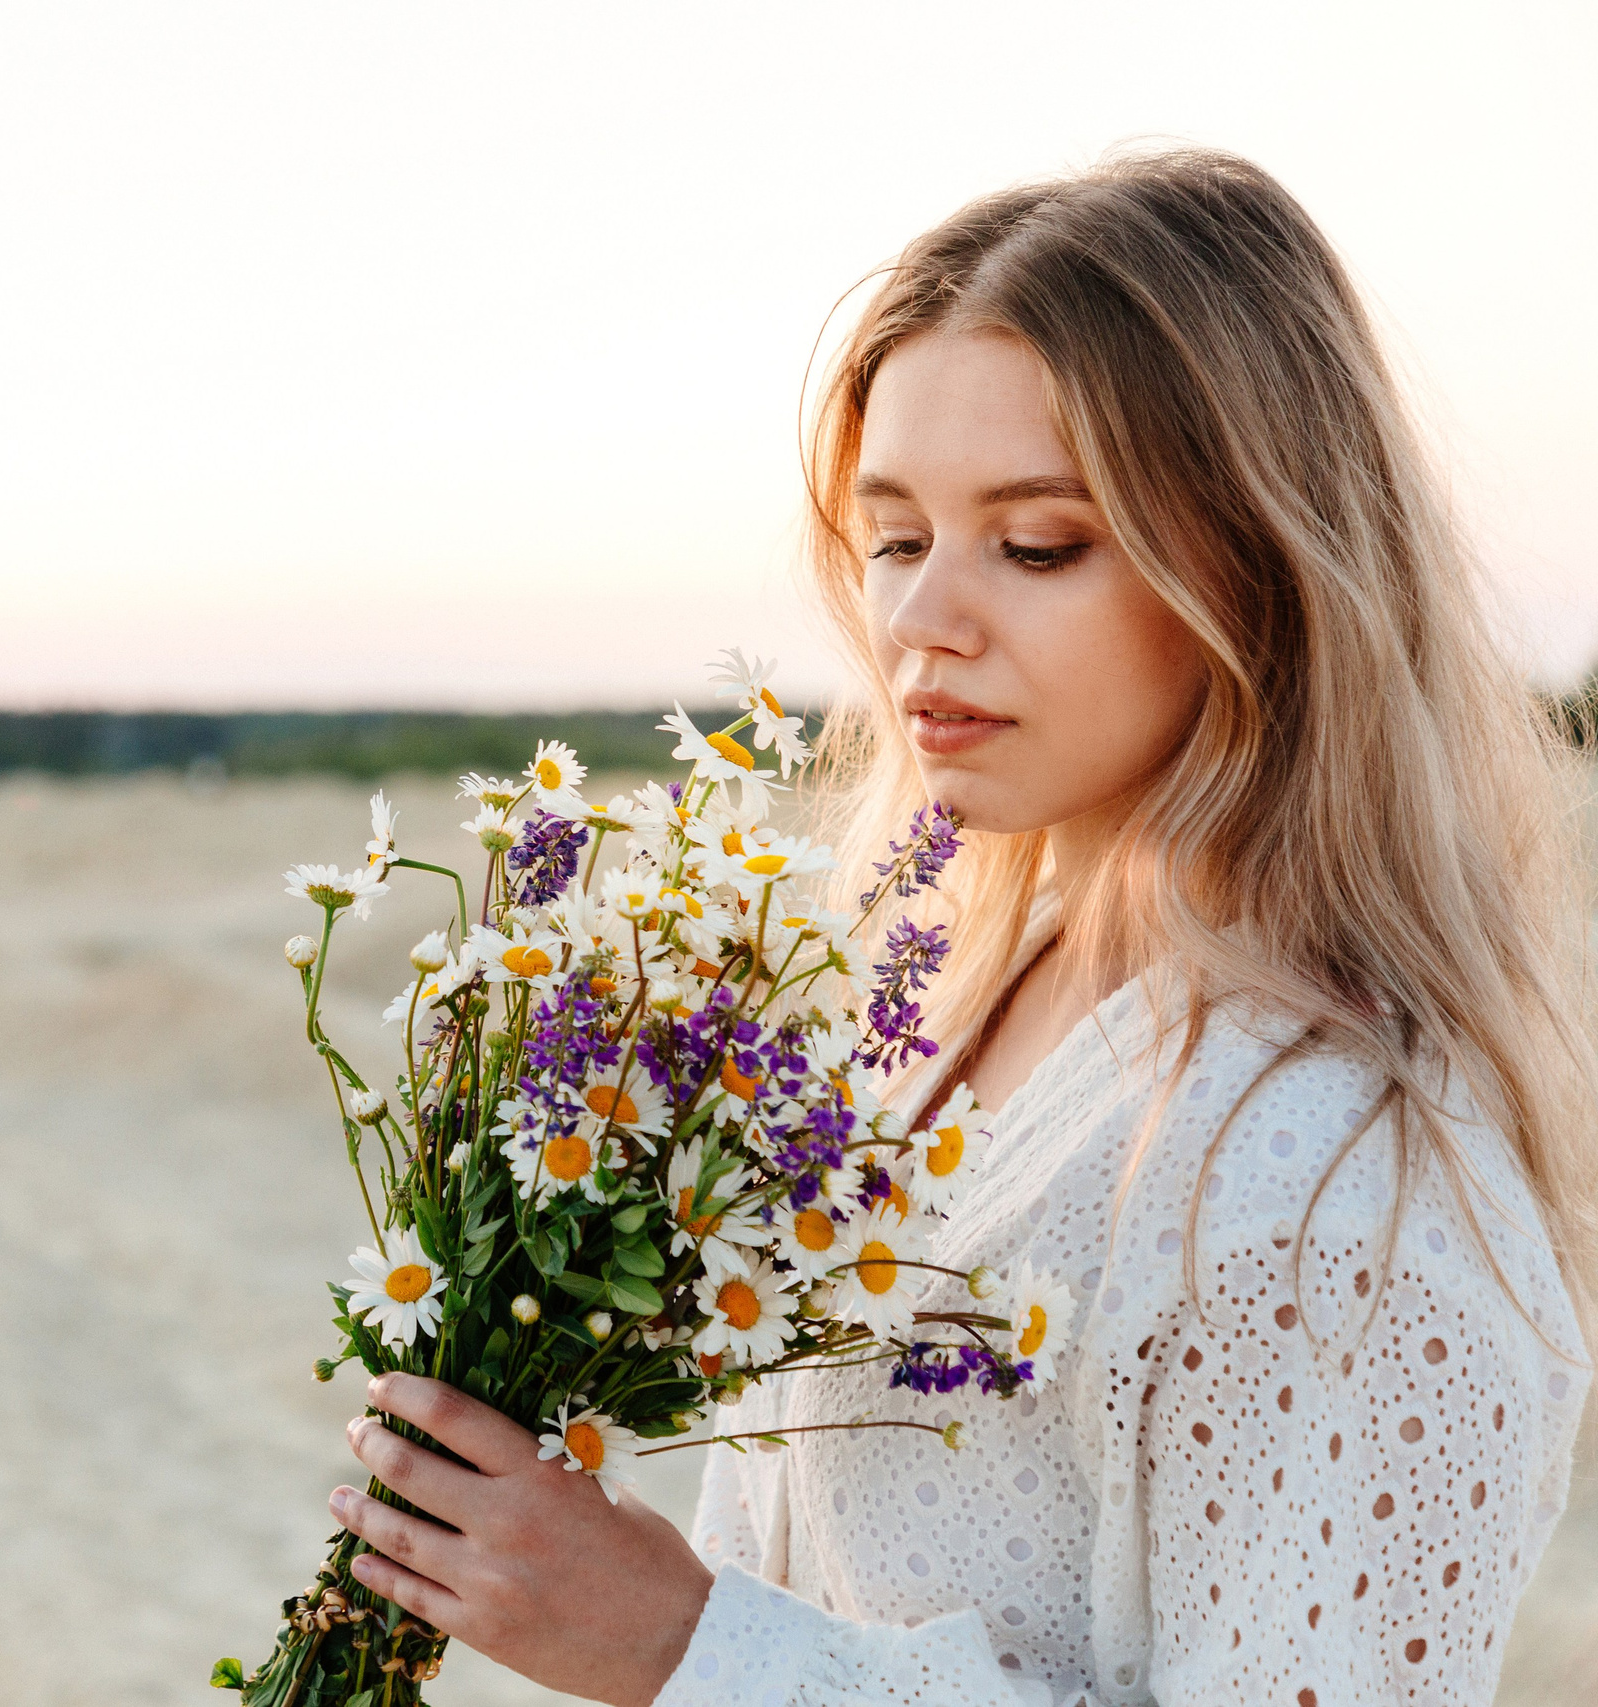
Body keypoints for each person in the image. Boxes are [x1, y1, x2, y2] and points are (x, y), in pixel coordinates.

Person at [326, 147, 1592, 1706]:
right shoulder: (955, 1007)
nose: (921, 622)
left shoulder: (1336, 1178)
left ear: (1263, 575)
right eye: (898, 538)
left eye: (1038, 541)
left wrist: (687, 1646)